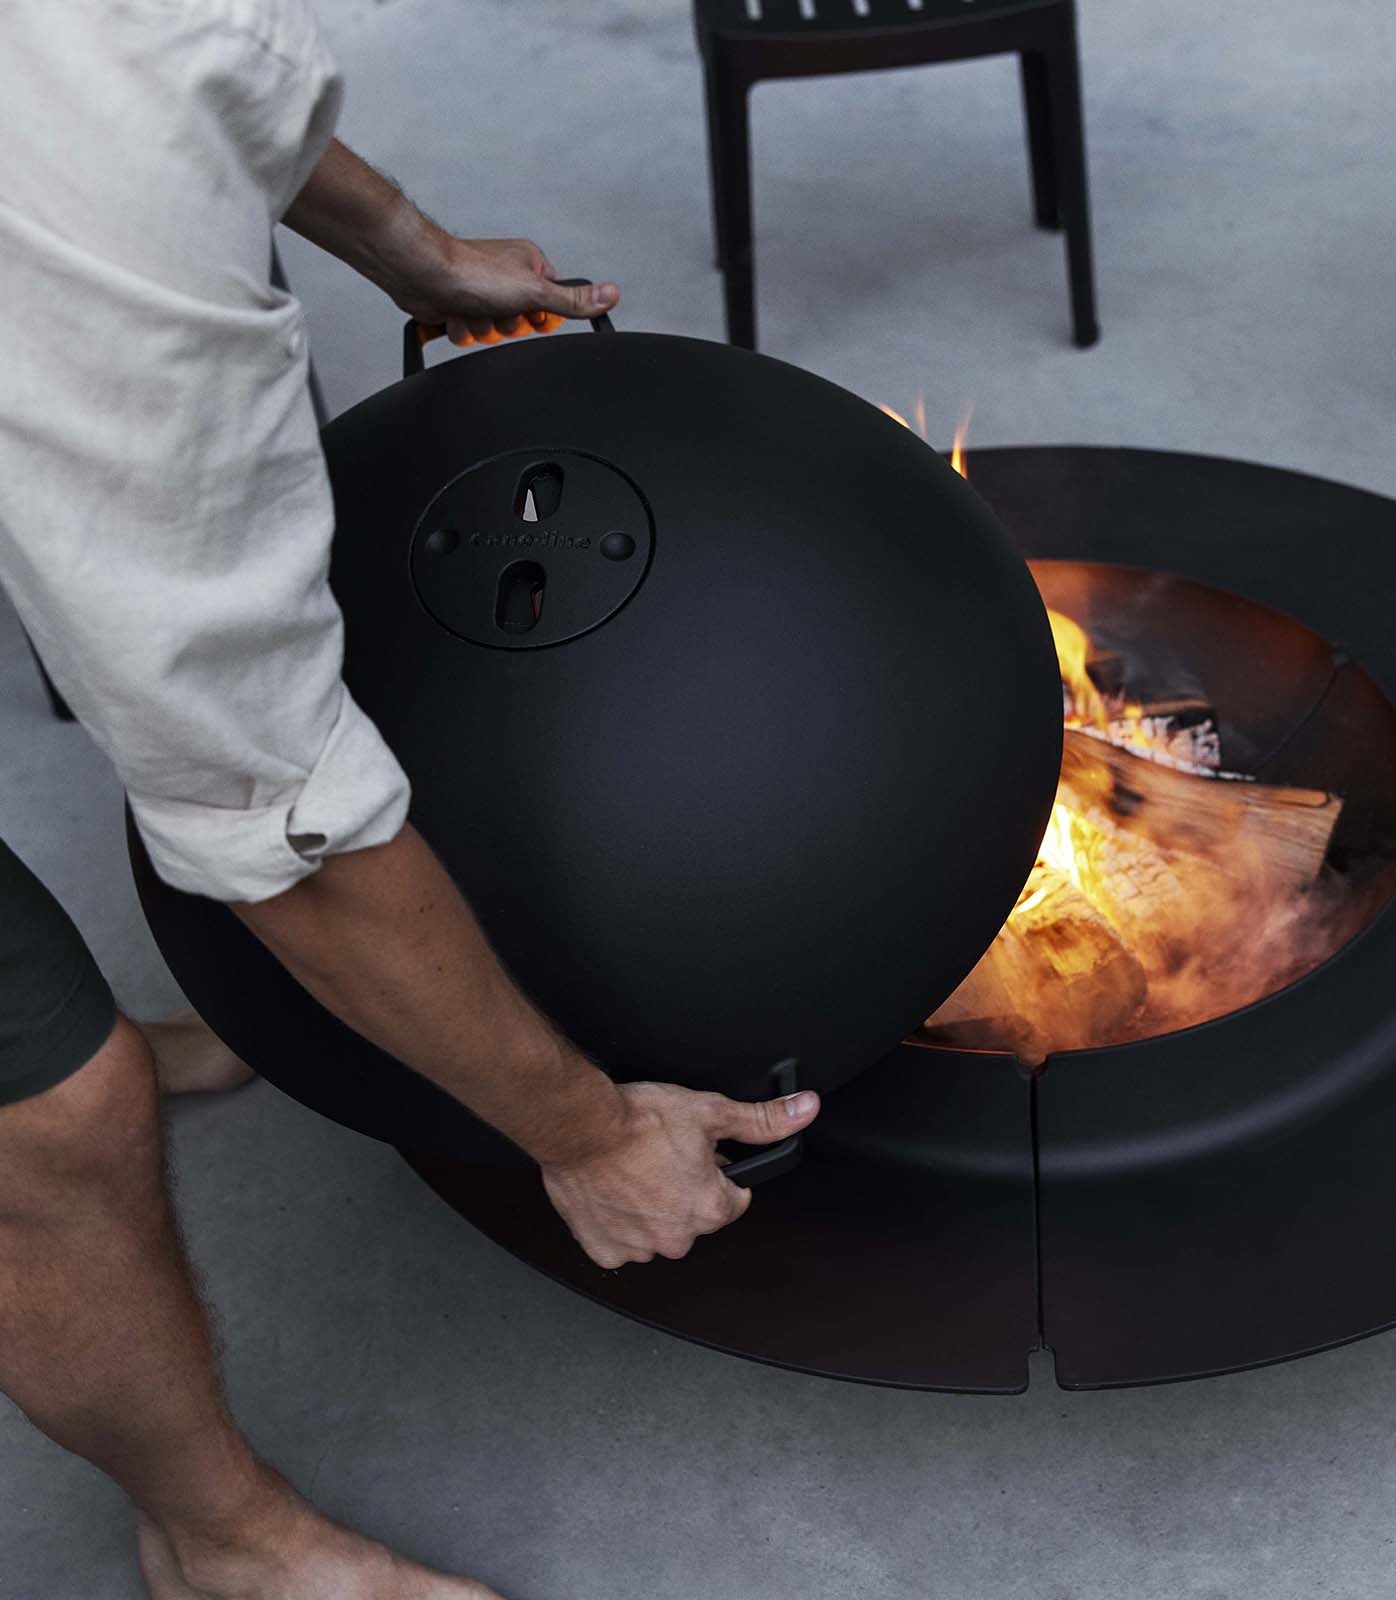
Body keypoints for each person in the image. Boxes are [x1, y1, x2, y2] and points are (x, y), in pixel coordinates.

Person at [0, 5, 821, 1596]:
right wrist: (584, 1136)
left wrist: (406, 244)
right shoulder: (88, 179)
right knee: (46, 1110)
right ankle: (219, 1545)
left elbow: (207, 70)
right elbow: (267, 810)